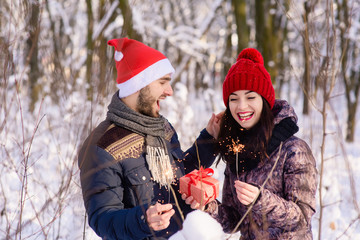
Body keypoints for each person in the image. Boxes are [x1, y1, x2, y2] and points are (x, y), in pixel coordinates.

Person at [77, 38, 221, 240]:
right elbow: (102, 219)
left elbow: (179, 174)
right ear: (139, 85)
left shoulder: (161, 127)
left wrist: (210, 139)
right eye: (162, 82)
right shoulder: (102, 146)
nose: (169, 91)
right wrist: (142, 219)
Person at [191, 48, 317, 239]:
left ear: (265, 101)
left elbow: (302, 219)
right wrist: (209, 206)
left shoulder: (293, 150)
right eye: (234, 99)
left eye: (250, 97)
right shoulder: (236, 149)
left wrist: (261, 200)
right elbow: (233, 221)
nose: (241, 106)